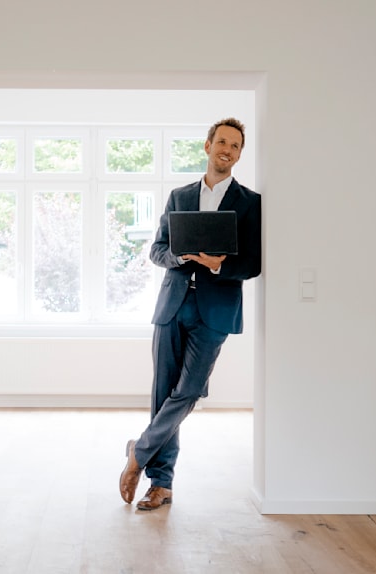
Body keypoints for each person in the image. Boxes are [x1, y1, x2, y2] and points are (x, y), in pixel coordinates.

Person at [119, 118, 262, 510]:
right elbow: (157, 250)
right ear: (207, 145)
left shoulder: (251, 203)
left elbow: (252, 262)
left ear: (238, 154)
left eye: (235, 146)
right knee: (163, 392)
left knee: (189, 391)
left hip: (215, 312)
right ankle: (160, 485)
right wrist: (183, 256)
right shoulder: (180, 197)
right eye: (222, 142)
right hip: (173, 304)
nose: (227, 150)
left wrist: (217, 265)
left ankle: (139, 453)